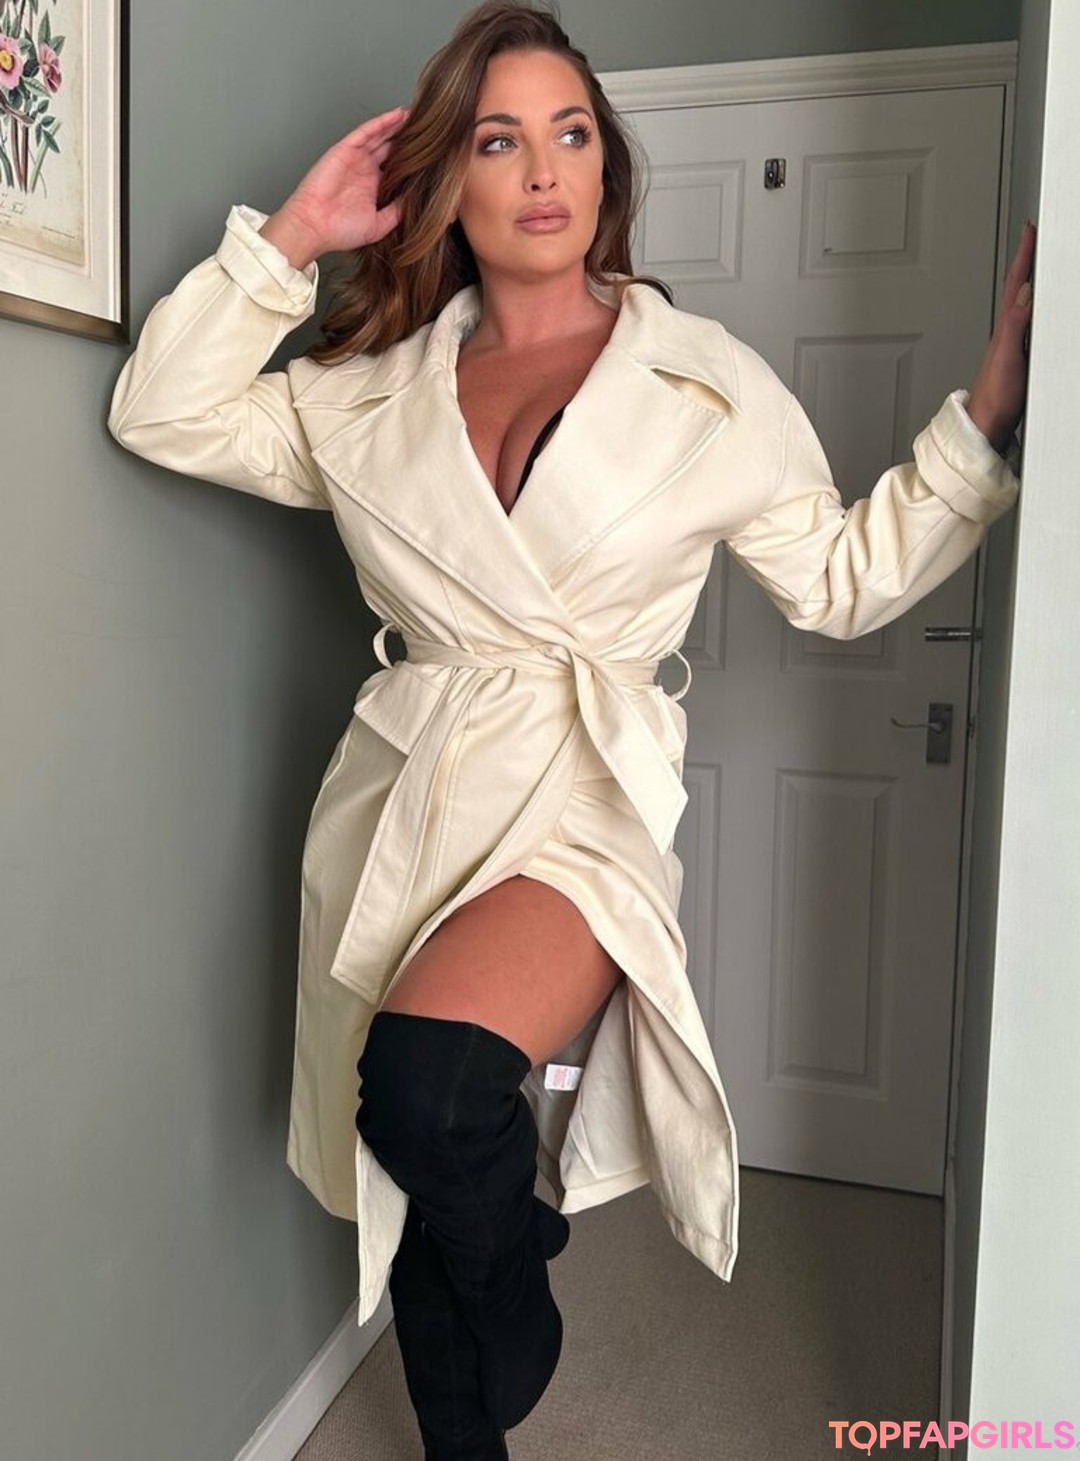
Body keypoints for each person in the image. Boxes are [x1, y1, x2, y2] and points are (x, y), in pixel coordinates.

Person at [107, 3, 1033, 1457]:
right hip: (412, 785)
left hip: (586, 789)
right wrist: (288, 239)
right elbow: (161, 411)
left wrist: (984, 419)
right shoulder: (362, 391)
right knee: (407, 1152)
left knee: (431, 1087)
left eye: (572, 133)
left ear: (608, 167)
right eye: (499, 139)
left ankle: (525, 1287)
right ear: (447, 182)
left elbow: (844, 578)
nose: (544, 170)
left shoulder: (709, 382)